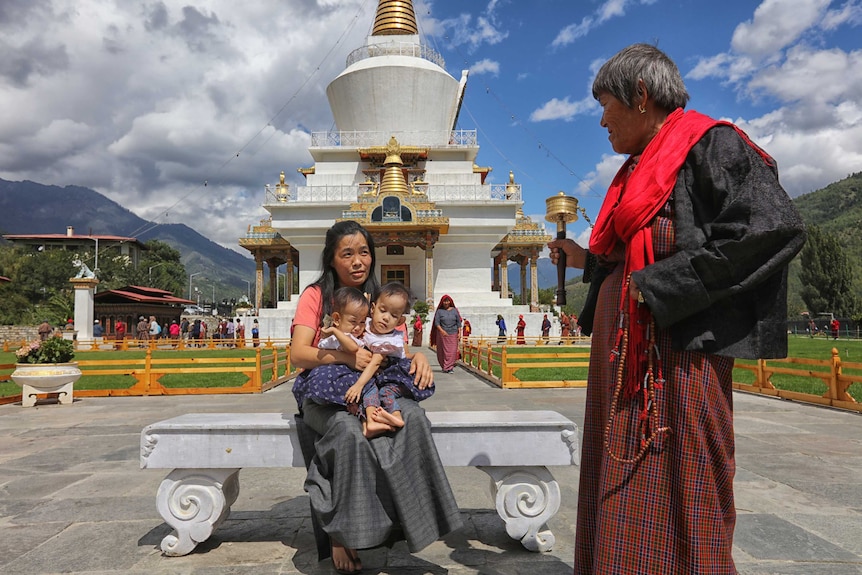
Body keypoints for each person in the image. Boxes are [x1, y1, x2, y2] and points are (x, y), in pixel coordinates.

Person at [548, 44, 805, 574]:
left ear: (641, 96)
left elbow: (770, 228)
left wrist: (664, 284)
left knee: (687, 479)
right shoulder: (636, 171)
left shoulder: (710, 146)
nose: (601, 121)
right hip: (623, 359)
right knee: (620, 478)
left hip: (681, 357)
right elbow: (639, 257)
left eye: (605, 105)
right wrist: (587, 262)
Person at [289, 220, 462, 574]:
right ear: (332, 259)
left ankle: (410, 522)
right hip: (324, 393)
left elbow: (395, 346)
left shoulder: (382, 299)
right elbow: (298, 354)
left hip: (374, 388)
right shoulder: (316, 296)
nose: (357, 261)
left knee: (412, 417)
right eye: (347, 253)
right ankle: (341, 534)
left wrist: (417, 358)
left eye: (364, 252)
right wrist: (346, 356)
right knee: (348, 432)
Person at [343, 283, 434, 436]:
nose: (386, 318)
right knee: (365, 394)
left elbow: (378, 361)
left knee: (382, 392)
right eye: (382, 310)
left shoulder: (391, 340)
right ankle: (370, 423)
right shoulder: (364, 325)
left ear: (400, 322)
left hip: (393, 377)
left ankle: (394, 417)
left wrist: (359, 385)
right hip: (373, 375)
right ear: (372, 309)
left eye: (393, 315)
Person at [431, 295, 462, 373]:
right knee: (443, 351)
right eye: (445, 301)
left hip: (453, 333)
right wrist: (442, 331)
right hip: (442, 334)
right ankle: (445, 366)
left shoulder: (455, 310)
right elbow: (437, 323)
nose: (446, 303)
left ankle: (449, 367)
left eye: (448, 301)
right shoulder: (439, 311)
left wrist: (459, 333)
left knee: (452, 351)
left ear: (450, 302)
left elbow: (458, 322)